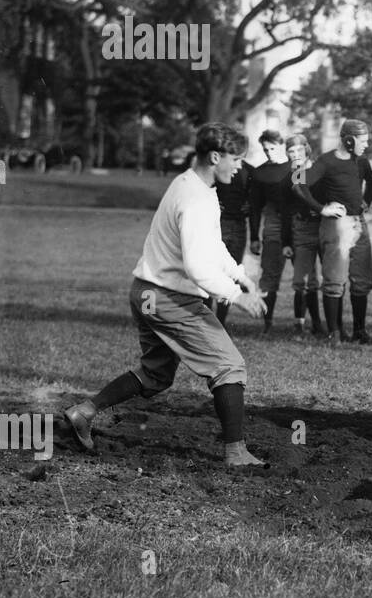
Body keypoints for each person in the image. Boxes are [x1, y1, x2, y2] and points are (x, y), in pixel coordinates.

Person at [62, 123, 267, 467]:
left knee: (156, 375)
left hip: (145, 292)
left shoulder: (190, 182)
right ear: (215, 156)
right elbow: (198, 268)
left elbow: (213, 246)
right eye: (236, 158)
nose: (239, 166)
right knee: (229, 366)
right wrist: (237, 295)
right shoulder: (196, 199)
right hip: (169, 298)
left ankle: (84, 411)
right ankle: (236, 452)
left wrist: (241, 276)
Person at [293, 118, 372, 345]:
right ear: (349, 140)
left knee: (362, 279)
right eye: (362, 141)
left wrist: (366, 202)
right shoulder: (326, 161)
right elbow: (298, 183)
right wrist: (322, 209)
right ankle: (334, 333)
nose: (366, 145)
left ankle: (359, 331)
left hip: (358, 223)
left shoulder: (361, 162)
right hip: (337, 225)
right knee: (335, 280)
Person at [248, 129, 292, 334]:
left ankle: (308, 324)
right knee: (269, 274)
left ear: (282, 145)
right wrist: (254, 237)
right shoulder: (260, 173)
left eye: (273, 148)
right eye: (265, 149)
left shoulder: (296, 167)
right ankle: (268, 323)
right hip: (273, 223)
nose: (269, 153)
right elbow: (255, 208)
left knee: (306, 275)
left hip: (298, 222)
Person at [284, 133, 324, 337]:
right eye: (291, 151)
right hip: (301, 228)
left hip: (324, 225)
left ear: (307, 149)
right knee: (303, 279)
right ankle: (299, 325)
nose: (295, 154)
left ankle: (320, 324)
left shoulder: (318, 169)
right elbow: (285, 210)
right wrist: (286, 241)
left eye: (299, 150)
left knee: (322, 279)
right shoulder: (290, 174)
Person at [213, 150, 253, 330]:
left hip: (238, 226)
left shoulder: (251, 172)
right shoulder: (218, 170)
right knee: (211, 270)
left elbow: (256, 200)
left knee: (230, 275)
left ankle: (220, 321)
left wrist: (250, 206)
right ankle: (206, 318)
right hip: (218, 224)